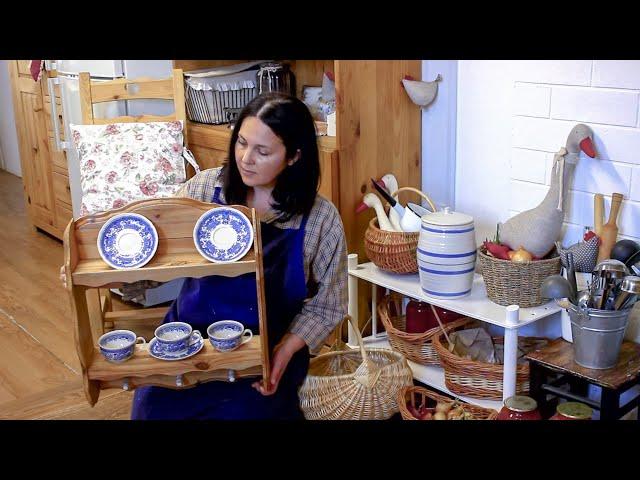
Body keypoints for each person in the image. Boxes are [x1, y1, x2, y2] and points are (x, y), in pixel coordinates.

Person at [68, 92, 347, 419]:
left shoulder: (319, 220)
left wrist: (283, 352)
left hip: (262, 351)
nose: (245, 158)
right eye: (241, 143)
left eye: (262, 151)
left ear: (294, 157)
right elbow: (155, 257)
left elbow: (328, 304)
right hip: (186, 341)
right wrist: (97, 270)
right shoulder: (202, 191)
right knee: (149, 413)